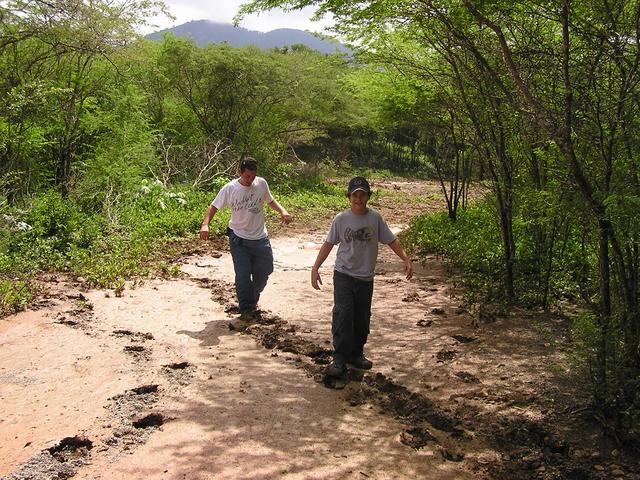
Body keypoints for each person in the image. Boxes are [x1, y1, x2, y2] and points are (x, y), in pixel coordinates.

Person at [311, 176, 413, 378]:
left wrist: (405, 258)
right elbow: (328, 244)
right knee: (343, 314)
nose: (358, 199)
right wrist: (315, 268)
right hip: (344, 275)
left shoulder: (375, 219)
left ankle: (357, 353)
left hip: (366, 277)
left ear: (368, 196)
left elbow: (391, 240)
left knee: (362, 317)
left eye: (362, 195)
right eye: (355, 195)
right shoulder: (341, 219)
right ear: (349, 197)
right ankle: (339, 359)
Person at [200, 157, 292, 321]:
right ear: (240, 172)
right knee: (242, 274)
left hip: (260, 237)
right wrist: (205, 225)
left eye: (253, 176)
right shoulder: (230, 188)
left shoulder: (261, 183)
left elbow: (270, 200)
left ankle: (253, 294)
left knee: (265, 271)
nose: (250, 180)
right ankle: (247, 309)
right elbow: (213, 206)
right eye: (247, 176)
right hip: (239, 238)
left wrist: (282, 211)